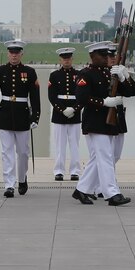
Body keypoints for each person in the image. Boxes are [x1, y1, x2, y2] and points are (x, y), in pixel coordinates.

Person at [72, 40, 135, 206]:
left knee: (102, 157)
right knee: (105, 157)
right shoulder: (86, 74)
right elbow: (82, 97)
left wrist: (125, 76)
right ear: (93, 56)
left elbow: (132, 92)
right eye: (105, 55)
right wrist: (103, 102)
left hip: (110, 122)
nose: (109, 58)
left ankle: (82, 189)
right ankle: (112, 193)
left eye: (111, 55)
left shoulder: (111, 73)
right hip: (95, 121)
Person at [0, 40, 41, 198]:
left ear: (21, 54)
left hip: (23, 115)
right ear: (8, 53)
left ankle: (22, 178)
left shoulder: (29, 72)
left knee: (23, 152)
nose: (14, 55)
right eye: (11, 52)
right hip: (6, 115)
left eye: (17, 53)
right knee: (7, 152)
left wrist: (35, 116)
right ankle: (9, 184)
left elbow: (35, 97)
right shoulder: (0, 71)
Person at [48, 47, 82, 181]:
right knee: (60, 145)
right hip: (59, 113)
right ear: (60, 60)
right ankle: (59, 170)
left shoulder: (79, 74)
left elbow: (82, 94)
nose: (66, 61)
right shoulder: (54, 75)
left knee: (74, 144)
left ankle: (75, 170)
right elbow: (52, 96)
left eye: (68, 58)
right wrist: (62, 109)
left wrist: (75, 109)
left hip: (75, 112)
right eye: (64, 58)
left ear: (72, 59)